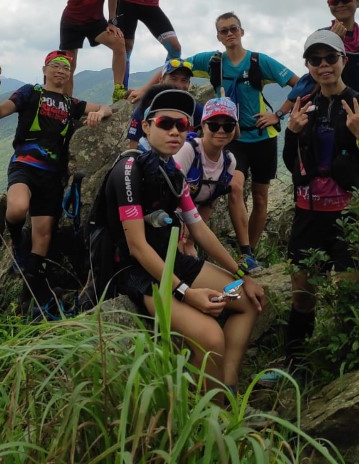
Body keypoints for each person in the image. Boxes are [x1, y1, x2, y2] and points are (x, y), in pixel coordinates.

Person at [100, 87, 265, 395]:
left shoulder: (172, 171)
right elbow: (136, 246)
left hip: (172, 261)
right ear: (147, 126)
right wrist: (186, 293)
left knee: (247, 301)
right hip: (139, 273)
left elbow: (199, 227)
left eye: (182, 125)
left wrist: (242, 275)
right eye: (165, 123)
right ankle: (215, 417)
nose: (175, 131)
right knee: (211, 336)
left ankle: (227, 392)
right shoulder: (129, 170)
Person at [275, 30, 359, 377]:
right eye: (315, 60)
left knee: (353, 294)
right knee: (302, 297)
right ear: (308, 66)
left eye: (330, 59)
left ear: (344, 61)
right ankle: (296, 366)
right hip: (309, 215)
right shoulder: (303, 105)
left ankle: (350, 369)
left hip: (351, 216)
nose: (323, 66)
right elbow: (293, 166)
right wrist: (291, 133)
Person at [0, 51, 113, 316]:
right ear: (45, 69)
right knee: (18, 209)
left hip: (52, 176)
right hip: (24, 165)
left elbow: (107, 107)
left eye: (65, 68)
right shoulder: (29, 93)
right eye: (55, 66)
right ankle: (16, 242)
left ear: (69, 74)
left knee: (43, 237)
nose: (60, 71)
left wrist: (99, 114)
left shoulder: (71, 103)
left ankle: (31, 294)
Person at [185, 13, 298, 254]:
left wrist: (278, 114)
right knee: (235, 185)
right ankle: (244, 249)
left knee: (259, 198)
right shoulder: (213, 62)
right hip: (232, 136)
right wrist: (145, 91)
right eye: (224, 31)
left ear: (242, 31)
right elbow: (175, 66)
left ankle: (250, 254)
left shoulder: (258, 61)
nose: (229, 34)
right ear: (218, 36)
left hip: (262, 137)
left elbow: (300, 84)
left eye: (233, 29)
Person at [172, 96, 257, 272]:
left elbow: (209, 202)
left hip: (190, 221)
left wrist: (191, 239)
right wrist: (182, 235)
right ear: (203, 126)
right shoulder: (189, 150)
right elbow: (170, 195)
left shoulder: (228, 162)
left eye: (228, 126)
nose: (221, 130)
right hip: (168, 218)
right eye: (213, 125)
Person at [125, 59, 203, 150]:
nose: (178, 85)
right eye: (173, 79)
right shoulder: (147, 106)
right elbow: (133, 146)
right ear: (161, 80)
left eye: (184, 80)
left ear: (189, 84)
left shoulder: (192, 107)